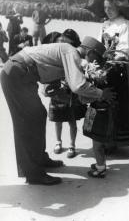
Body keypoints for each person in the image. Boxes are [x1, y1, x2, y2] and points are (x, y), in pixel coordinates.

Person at [0, 41, 115, 185]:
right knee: (27, 122)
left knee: (38, 116)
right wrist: (100, 93)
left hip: (22, 73)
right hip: (17, 74)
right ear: (89, 51)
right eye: (96, 58)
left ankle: (40, 159)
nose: (95, 63)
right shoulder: (71, 52)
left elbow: (50, 86)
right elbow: (77, 85)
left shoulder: (68, 53)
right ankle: (33, 174)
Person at [85, 0, 129, 178]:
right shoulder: (104, 24)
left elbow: (125, 50)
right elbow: (97, 45)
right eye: (105, 7)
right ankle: (105, 139)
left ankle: (114, 140)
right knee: (103, 103)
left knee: (117, 102)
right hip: (103, 66)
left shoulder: (127, 25)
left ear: (119, 7)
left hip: (119, 68)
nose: (107, 11)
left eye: (111, 8)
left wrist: (110, 61)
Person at [44, 29, 86, 158]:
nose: (63, 41)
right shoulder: (56, 51)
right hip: (58, 90)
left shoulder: (77, 52)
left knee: (72, 120)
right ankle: (58, 142)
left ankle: (72, 145)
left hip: (72, 90)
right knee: (58, 119)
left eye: (66, 39)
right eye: (62, 39)